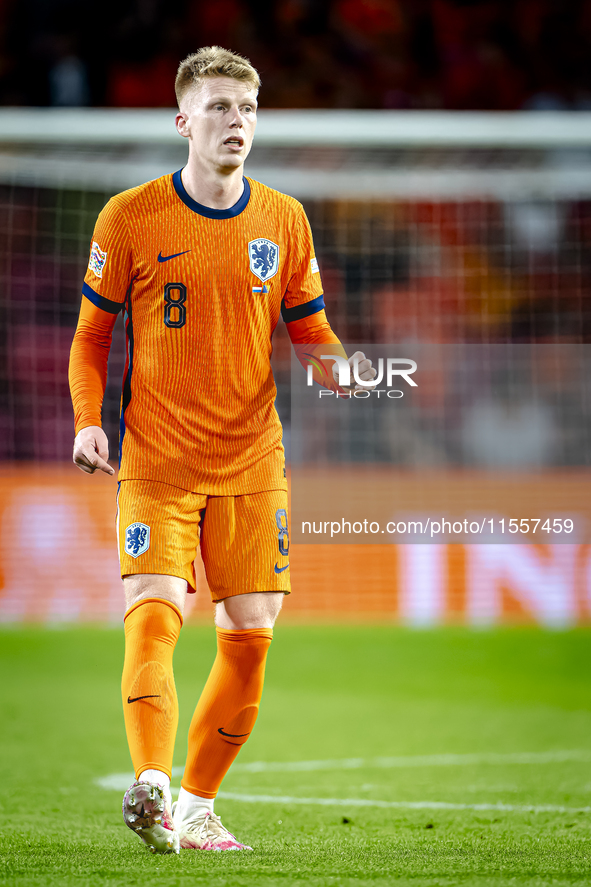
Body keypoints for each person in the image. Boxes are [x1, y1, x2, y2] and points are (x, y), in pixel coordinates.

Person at [68, 45, 375, 854]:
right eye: (218, 107)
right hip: (158, 459)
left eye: (247, 107)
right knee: (156, 612)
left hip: (250, 460)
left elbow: (309, 331)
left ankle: (198, 806)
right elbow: (92, 334)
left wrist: (343, 368)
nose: (236, 120)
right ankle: (151, 784)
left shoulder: (283, 218)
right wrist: (87, 418)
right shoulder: (129, 216)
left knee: (252, 626)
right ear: (183, 121)